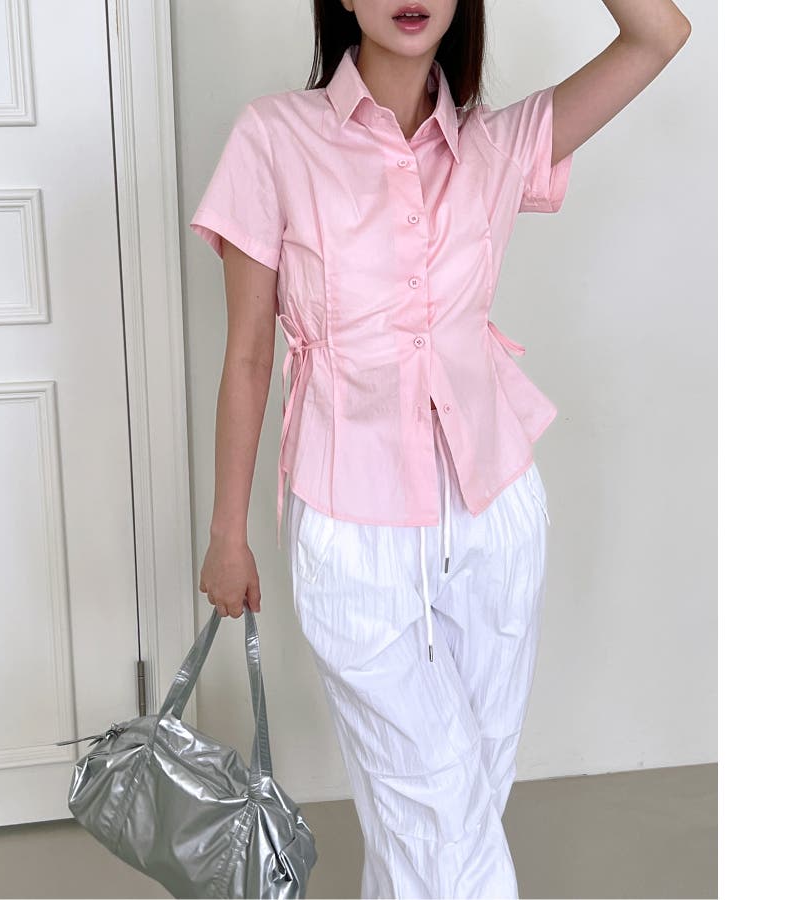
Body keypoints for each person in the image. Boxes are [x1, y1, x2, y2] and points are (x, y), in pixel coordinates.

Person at [189, 2, 691, 897]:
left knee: (454, 805)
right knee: (435, 805)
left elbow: (659, 34)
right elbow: (250, 353)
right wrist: (229, 533)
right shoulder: (274, 137)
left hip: (494, 510)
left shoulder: (499, 144)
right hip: (349, 520)